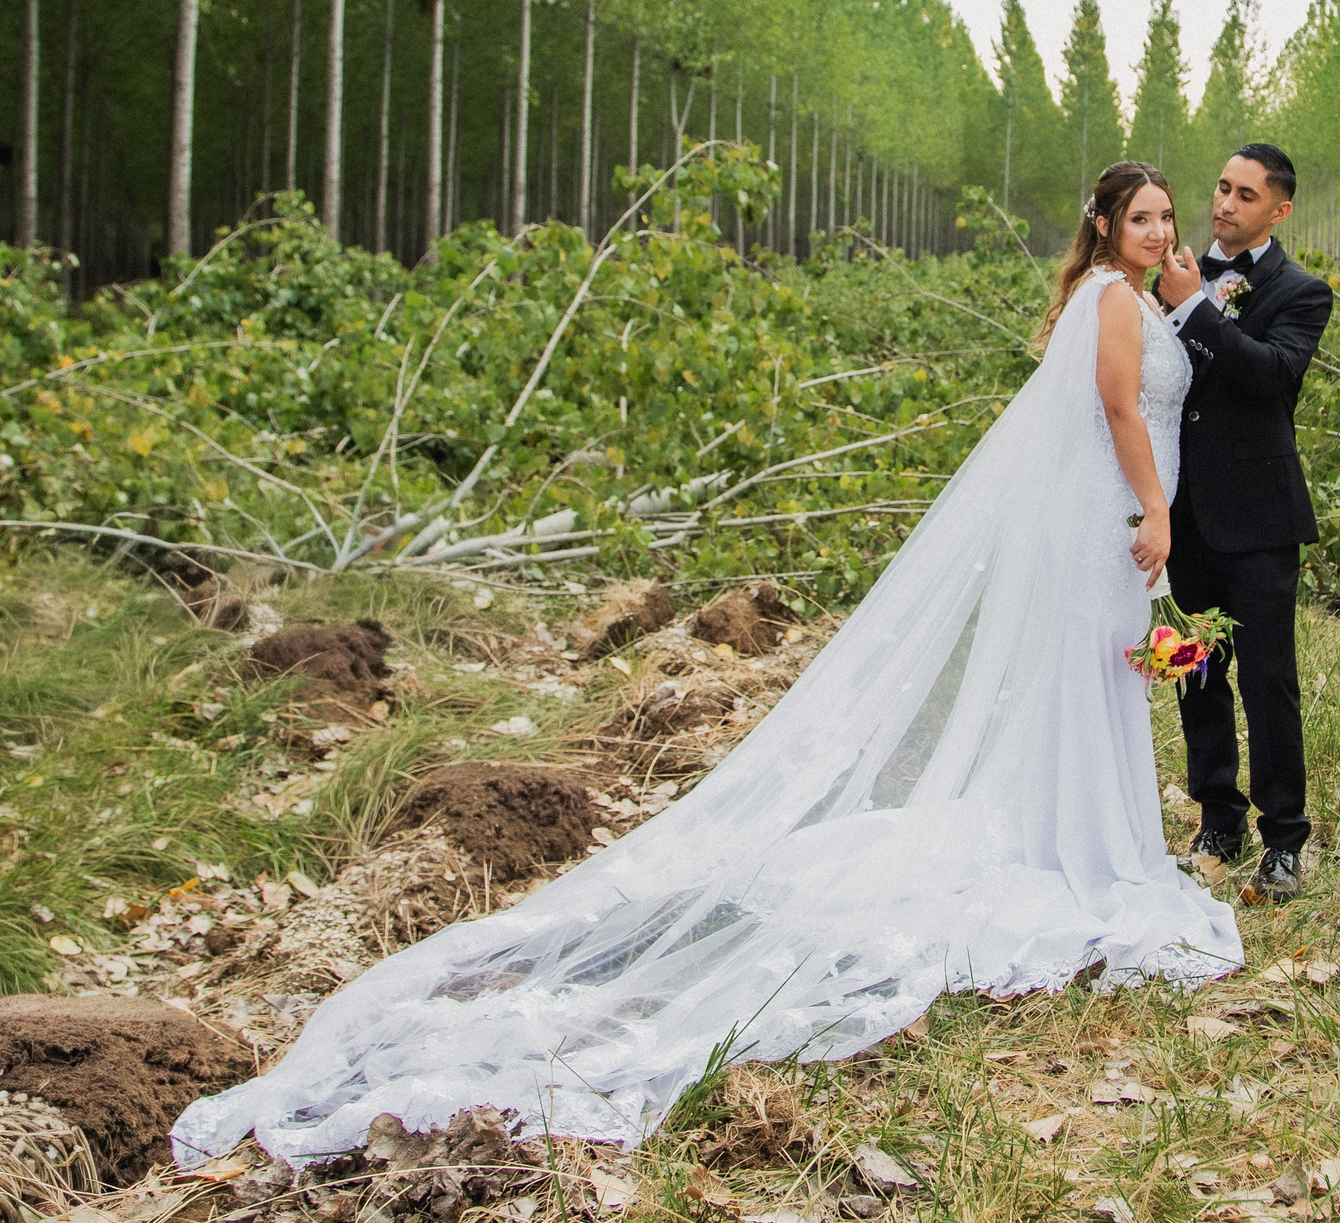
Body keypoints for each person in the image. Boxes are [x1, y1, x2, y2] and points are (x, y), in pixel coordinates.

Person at [172, 162, 1240, 1167]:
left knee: (1100, 677)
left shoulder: (1131, 294)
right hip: (1111, 513)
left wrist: (1184, 307)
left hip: (1103, 520)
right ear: (1104, 225)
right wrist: (1151, 508)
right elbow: (1114, 408)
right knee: (1092, 677)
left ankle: (1080, 838)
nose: (1159, 230)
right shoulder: (1108, 299)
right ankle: (1087, 854)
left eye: (1166, 216)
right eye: (1140, 216)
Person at [1152, 143, 1336, 903]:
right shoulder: (1168, 276)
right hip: (1182, 515)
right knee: (1194, 673)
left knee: (1268, 681)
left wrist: (1195, 306)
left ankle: (1285, 838)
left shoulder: (1302, 291)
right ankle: (1216, 821)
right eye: (1222, 188)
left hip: (1259, 520)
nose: (1225, 204)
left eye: (1246, 195)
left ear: (1279, 210)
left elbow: (1271, 376)